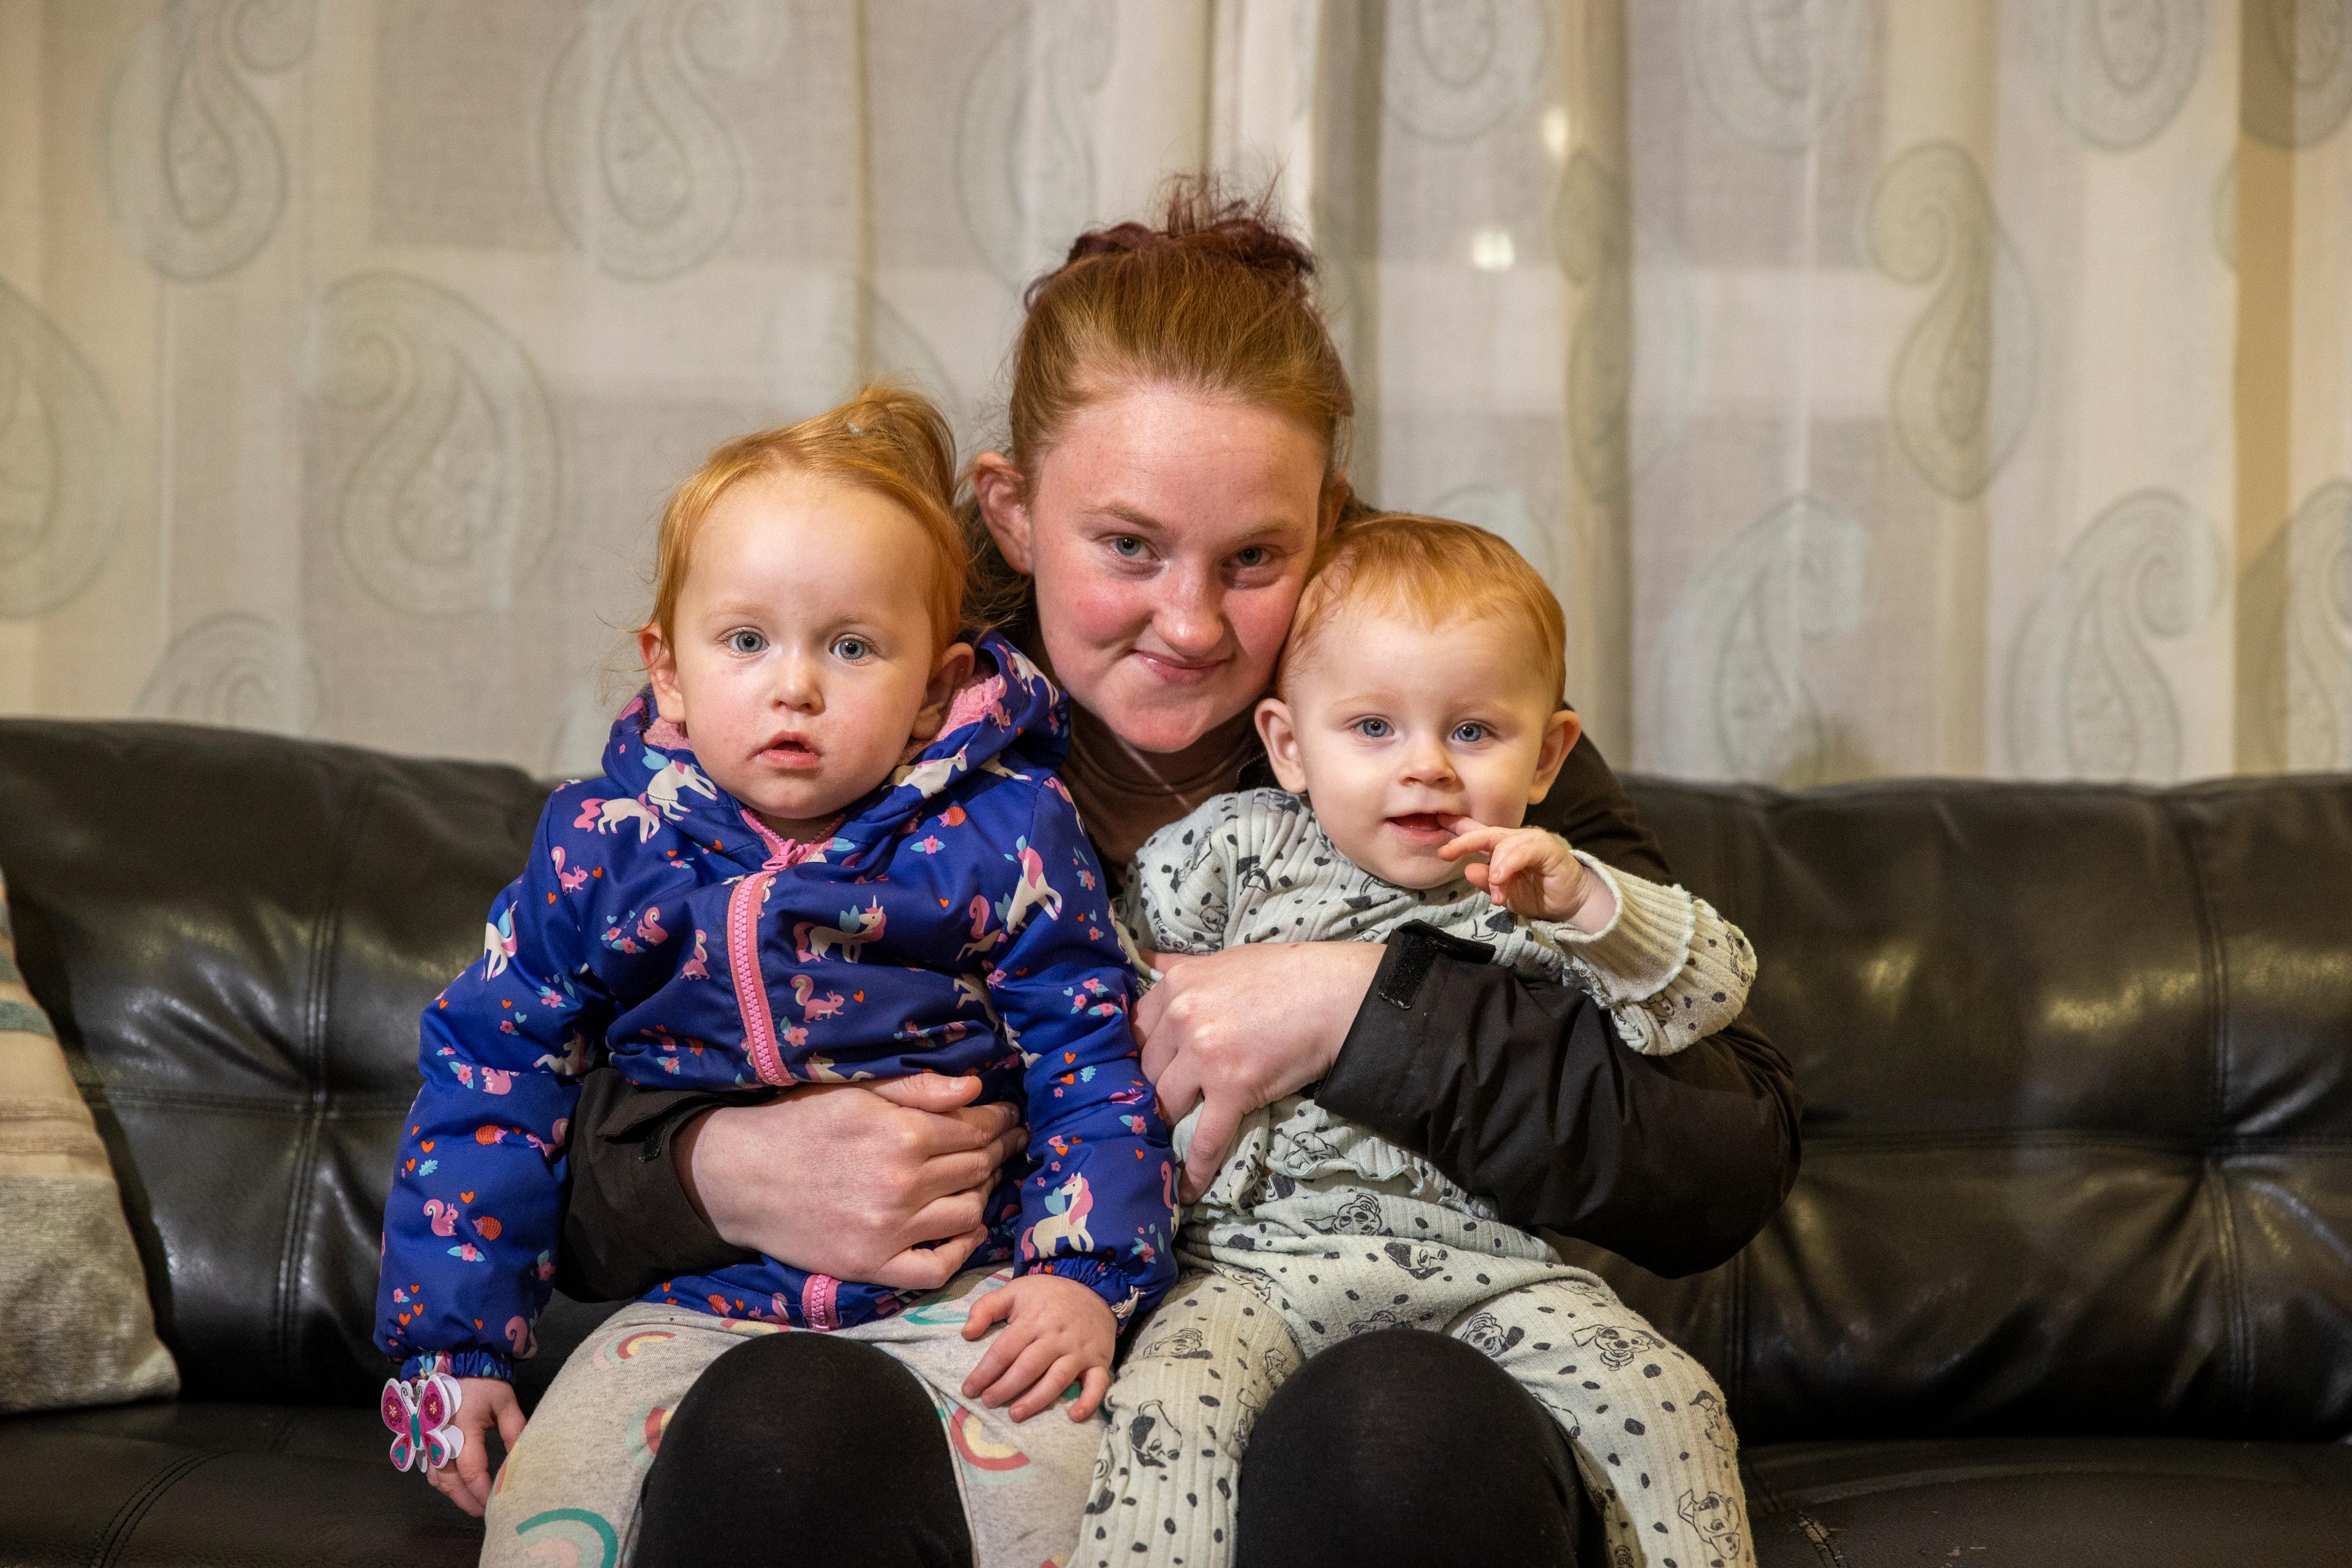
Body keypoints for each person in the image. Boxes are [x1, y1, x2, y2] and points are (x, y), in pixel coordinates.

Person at [557, 179, 1801, 1568]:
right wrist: (712, 1167)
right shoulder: (842, 679)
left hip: (1359, 1371)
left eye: (1258, 556)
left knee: (1398, 1420)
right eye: (1128, 546)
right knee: (783, 1424)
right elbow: (513, 1090)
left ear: (1326, 522)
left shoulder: (1428, 709)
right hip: (953, 1362)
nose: (1194, 620)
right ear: (1015, 513)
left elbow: (1722, 1151)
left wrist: (1358, 1007)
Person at [371, 385, 1175, 1563]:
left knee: (1072, 1514)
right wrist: (453, 1349)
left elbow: (1089, 1053)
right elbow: (493, 1074)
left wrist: (1086, 1277)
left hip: (972, 1299)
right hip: (696, 1302)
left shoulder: (1005, 831)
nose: (794, 685)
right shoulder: (605, 844)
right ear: (672, 671)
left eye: (851, 647)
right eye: (747, 642)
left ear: (938, 687)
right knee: (548, 1520)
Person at [1091, 513, 1754, 1568]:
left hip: (1493, 1276)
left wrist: (1589, 904)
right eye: (1373, 728)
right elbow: (1104, 999)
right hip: (1251, 1270)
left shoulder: (1538, 887)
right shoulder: (1228, 853)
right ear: (1287, 745)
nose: (1426, 770)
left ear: (1549, 755)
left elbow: (1707, 996)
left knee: (1674, 1401)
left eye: (1474, 733)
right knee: (1165, 1412)